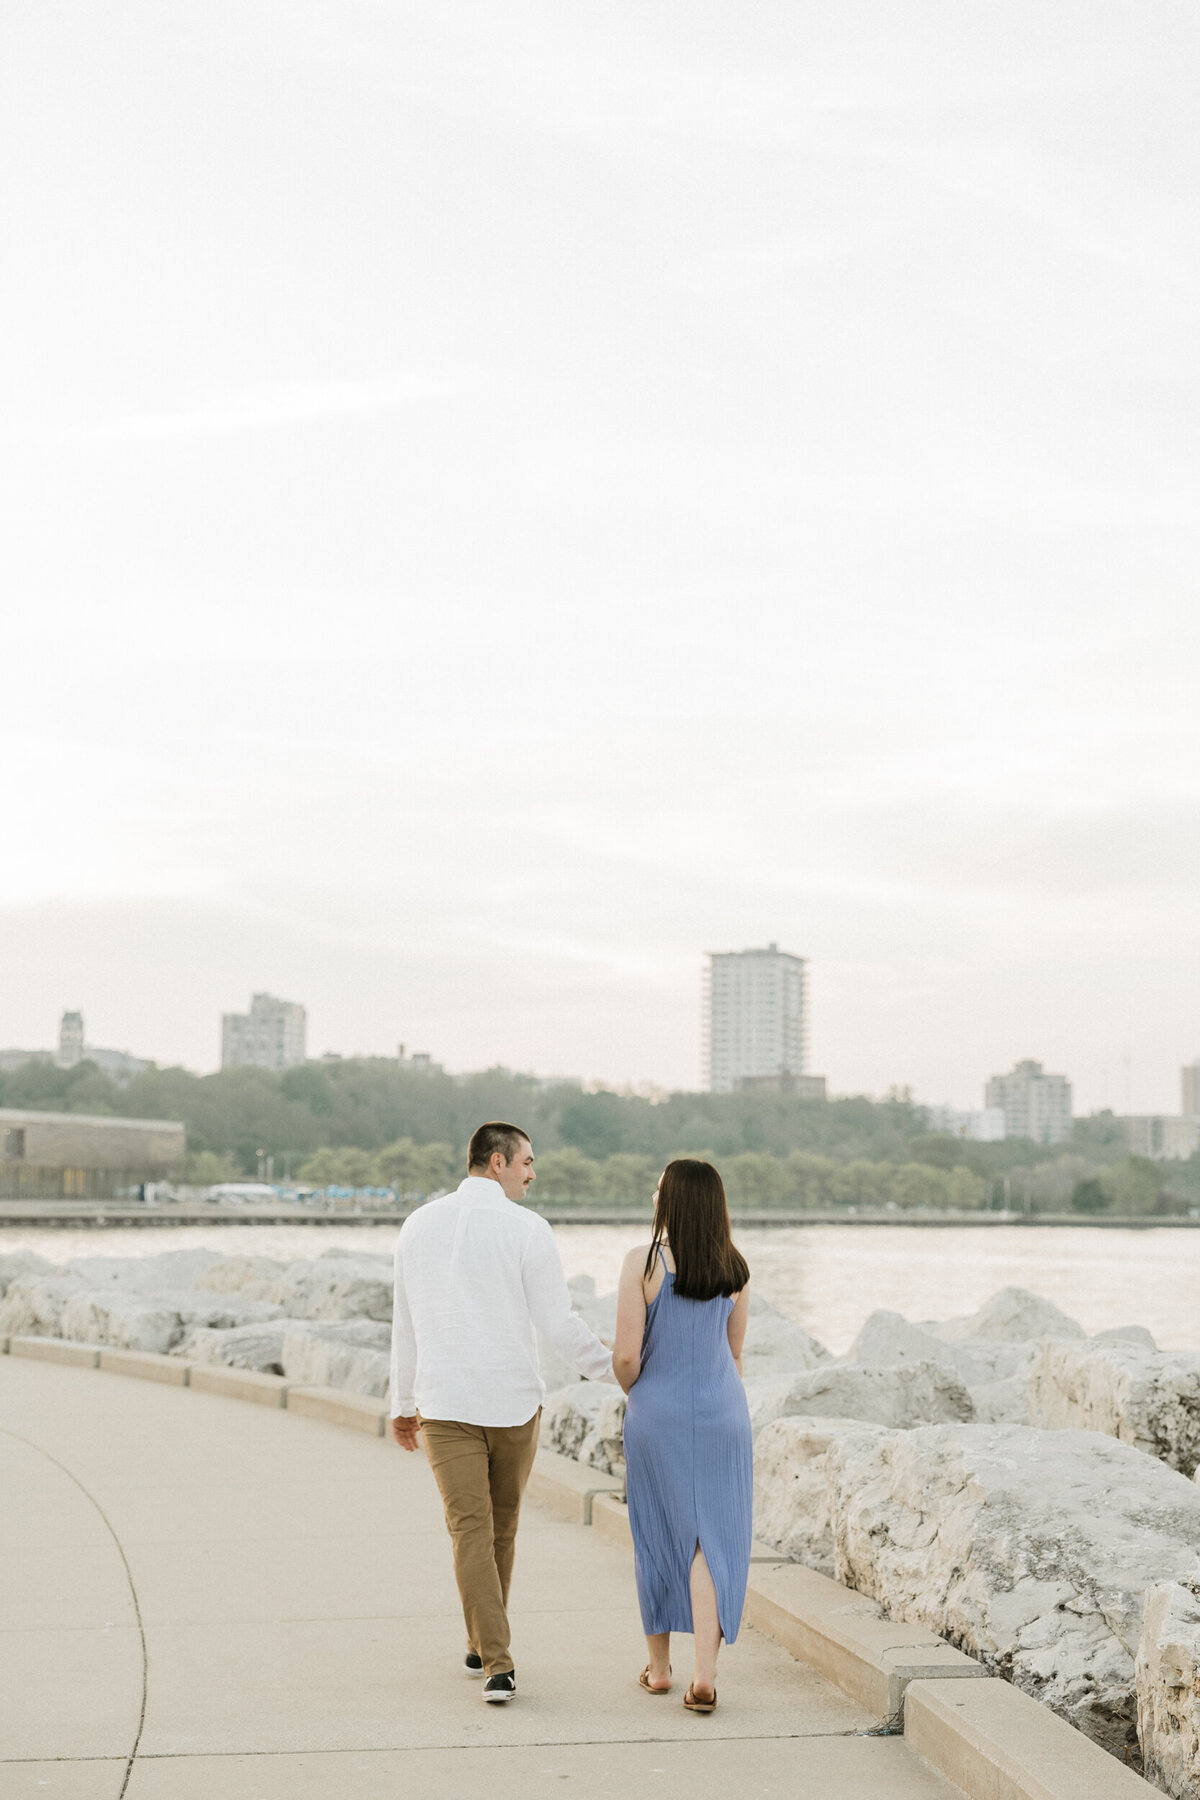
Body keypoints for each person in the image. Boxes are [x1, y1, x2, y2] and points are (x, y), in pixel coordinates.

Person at [389, 1121, 614, 1703]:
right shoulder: (528, 1228)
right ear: (497, 1162)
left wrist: (401, 1402)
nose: (533, 1173)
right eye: (527, 1162)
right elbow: (558, 1322)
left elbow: (404, 1322)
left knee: (478, 1529)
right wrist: (619, 1373)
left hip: (443, 1403)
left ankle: (480, 1638)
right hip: (511, 1403)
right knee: (491, 1528)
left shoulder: (417, 1224)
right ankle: (498, 1662)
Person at [613, 1159, 752, 1715]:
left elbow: (626, 1354)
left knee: (658, 1536)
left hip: (658, 1412)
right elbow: (735, 1354)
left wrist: (638, 1393)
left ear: (669, 1201)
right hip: (723, 1414)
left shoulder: (643, 1261)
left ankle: (661, 1669)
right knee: (712, 1539)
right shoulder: (735, 1267)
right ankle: (705, 1677)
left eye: (660, 1187)